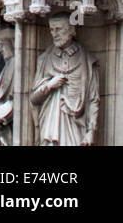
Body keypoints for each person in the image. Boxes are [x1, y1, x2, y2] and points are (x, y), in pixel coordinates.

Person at [32, 15, 99, 146]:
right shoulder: (44, 59)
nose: (54, 34)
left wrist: (91, 131)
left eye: (58, 29)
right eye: (52, 30)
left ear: (71, 30)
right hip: (50, 127)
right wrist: (49, 86)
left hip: (76, 126)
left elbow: (93, 99)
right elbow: (33, 99)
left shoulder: (87, 60)